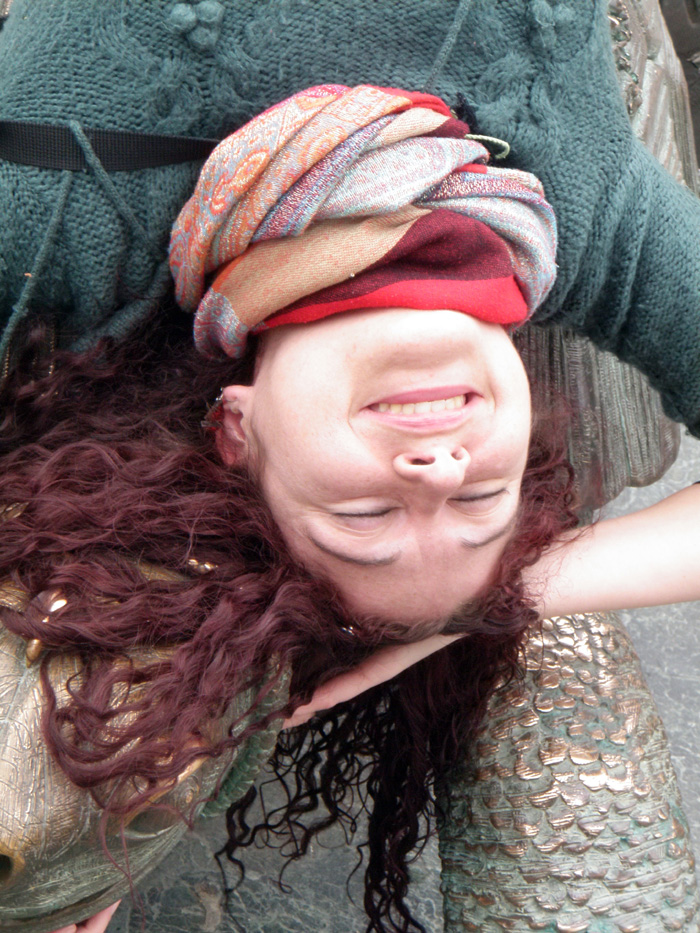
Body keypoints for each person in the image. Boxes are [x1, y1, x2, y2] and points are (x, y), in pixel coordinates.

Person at [7, 80, 695, 933]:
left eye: (365, 518)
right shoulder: (587, 193)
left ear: (235, 428)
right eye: (484, 499)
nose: (439, 470)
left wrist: (101, 833)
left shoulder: (52, 219)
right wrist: (495, 596)